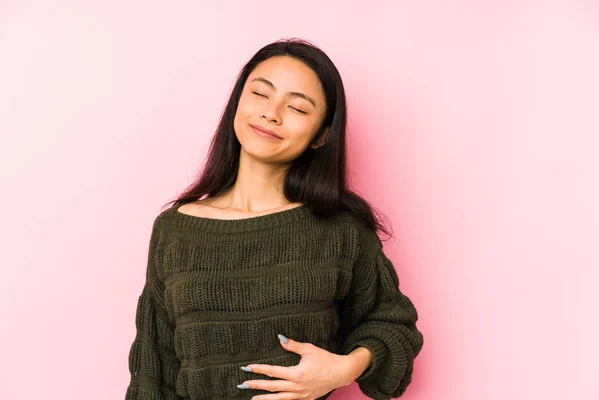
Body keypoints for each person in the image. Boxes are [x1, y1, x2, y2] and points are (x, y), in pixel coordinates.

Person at [125, 38, 424, 400]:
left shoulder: (339, 229)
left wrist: (342, 368)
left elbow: (394, 324)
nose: (272, 113)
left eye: (297, 108)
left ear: (321, 136)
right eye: (260, 94)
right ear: (237, 102)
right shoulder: (175, 229)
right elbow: (153, 369)